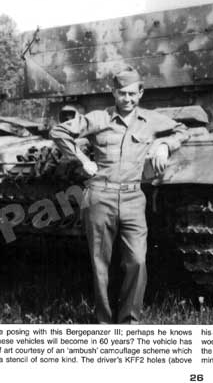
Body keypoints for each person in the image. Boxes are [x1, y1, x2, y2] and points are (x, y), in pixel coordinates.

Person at [49, 65, 188, 324]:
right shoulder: (98, 118)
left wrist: (164, 144)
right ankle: (104, 322)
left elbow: (182, 130)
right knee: (101, 264)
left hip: (133, 198)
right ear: (113, 93)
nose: (127, 99)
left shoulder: (151, 120)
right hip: (100, 197)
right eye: (122, 93)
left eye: (132, 94)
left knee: (137, 261)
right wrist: (82, 159)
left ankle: (129, 322)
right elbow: (58, 132)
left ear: (141, 93)